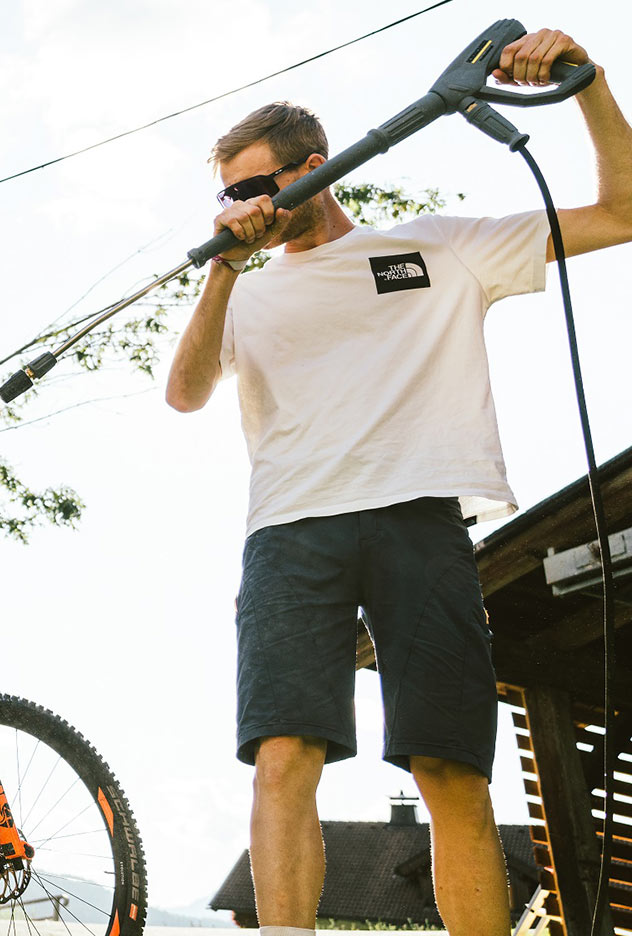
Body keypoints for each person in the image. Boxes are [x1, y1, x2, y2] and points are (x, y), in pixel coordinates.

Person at [165, 28, 631, 936]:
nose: (248, 206)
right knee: (283, 753)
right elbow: (184, 395)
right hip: (292, 531)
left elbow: (622, 213)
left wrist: (589, 87)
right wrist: (223, 266)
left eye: (261, 185)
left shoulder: (435, 249)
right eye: (231, 195)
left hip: (419, 521)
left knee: (447, 763)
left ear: (314, 168)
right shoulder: (245, 292)